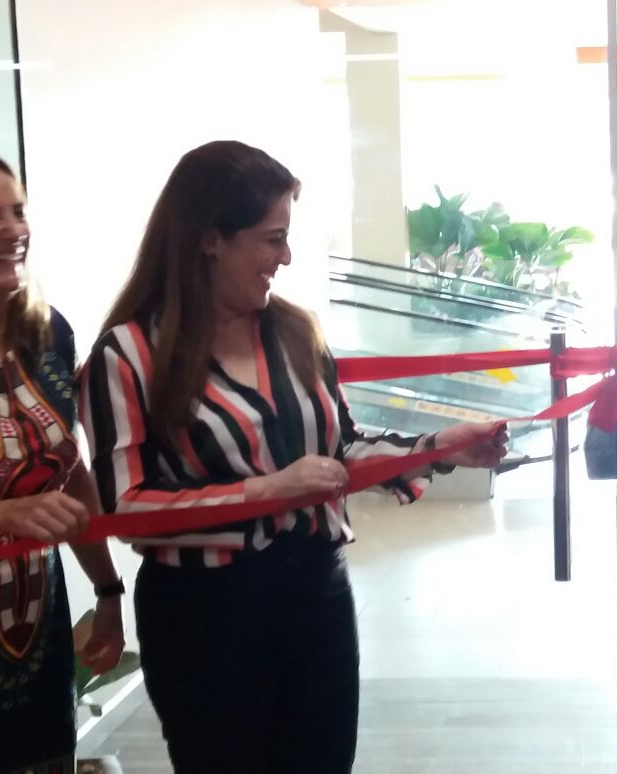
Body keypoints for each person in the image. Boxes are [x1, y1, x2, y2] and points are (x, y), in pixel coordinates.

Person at [79, 140, 506, 774]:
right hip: (203, 618)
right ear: (209, 239)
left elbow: (338, 452)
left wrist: (435, 450)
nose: (286, 257)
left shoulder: (296, 332)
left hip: (315, 599)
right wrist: (265, 491)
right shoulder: (128, 355)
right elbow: (125, 508)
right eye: (272, 239)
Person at [0, 151, 124, 774]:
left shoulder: (49, 336)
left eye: (18, 211)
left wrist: (108, 589)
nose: (13, 230)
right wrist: (4, 515)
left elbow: (70, 474)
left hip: (39, 648)